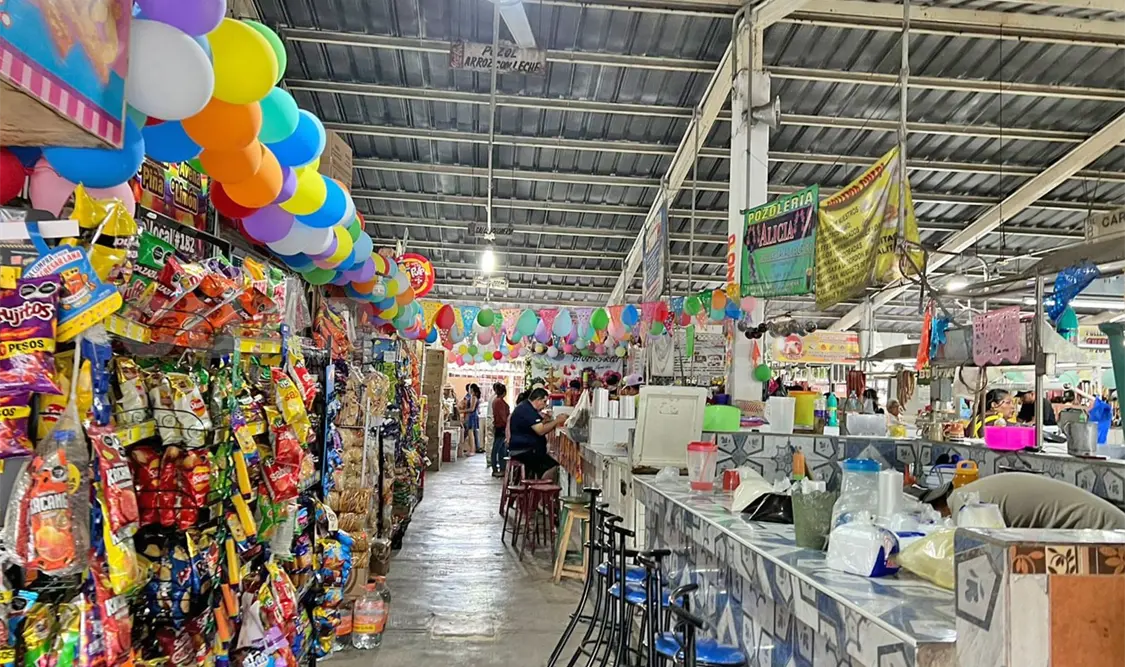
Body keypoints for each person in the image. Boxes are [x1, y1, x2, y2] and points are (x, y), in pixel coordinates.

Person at [940, 473, 1125, 530]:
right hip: (1107, 527)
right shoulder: (971, 493)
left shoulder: (967, 507)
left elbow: (983, 559)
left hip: (1108, 536)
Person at [508, 388, 565, 478]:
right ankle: (542, 490)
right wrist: (557, 421)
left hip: (526, 448)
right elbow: (540, 430)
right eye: (544, 401)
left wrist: (547, 421)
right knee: (552, 467)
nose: (545, 405)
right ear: (538, 400)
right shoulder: (527, 409)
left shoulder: (526, 407)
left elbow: (535, 425)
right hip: (524, 450)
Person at [490, 383, 510, 477]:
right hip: (501, 427)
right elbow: (503, 417)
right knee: (497, 449)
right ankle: (495, 469)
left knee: (501, 449)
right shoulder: (500, 402)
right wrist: (508, 425)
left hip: (499, 427)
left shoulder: (496, 401)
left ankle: (501, 468)